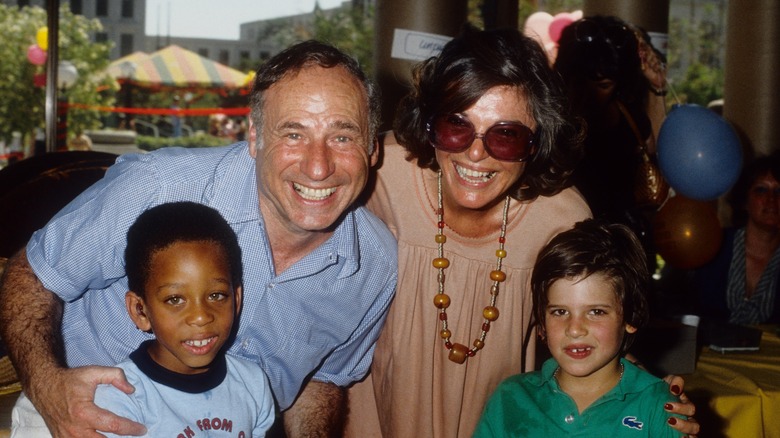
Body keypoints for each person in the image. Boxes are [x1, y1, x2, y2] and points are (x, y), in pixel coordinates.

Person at [0, 40, 397, 438]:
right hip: (82, 420)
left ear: (373, 148)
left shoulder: (375, 265)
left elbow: (321, 380)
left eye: (343, 137)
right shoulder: (160, 186)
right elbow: (32, 275)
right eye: (293, 134)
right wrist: (48, 387)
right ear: (255, 138)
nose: (318, 166)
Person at [345, 26, 697, 438]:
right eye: (456, 124)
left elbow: (593, 315)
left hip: (504, 421)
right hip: (377, 415)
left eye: (506, 135)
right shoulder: (380, 174)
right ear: (429, 122)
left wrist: (651, 395)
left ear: (536, 142)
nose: (475, 153)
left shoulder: (561, 217)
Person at [473, 219, 685, 437]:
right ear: (542, 322)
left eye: (596, 312)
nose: (574, 329)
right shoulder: (511, 397)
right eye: (560, 312)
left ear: (631, 317)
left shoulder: (655, 405)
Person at [92, 202, 273, 437]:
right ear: (140, 311)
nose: (201, 316)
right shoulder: (121, 398)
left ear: (236, 300)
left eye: (216, 295)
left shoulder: (252, 384)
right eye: (175, 300)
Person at [554, 16, 669, 270]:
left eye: (604, 85)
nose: (590, 94)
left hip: (622, 249)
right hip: (565, 246)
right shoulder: (547, 120)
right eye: (581, 82)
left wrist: (657, 86)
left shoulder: (627, 115)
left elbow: (658, 153)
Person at [694, 153, 780, 325]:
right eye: (761, 190)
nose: (771, 199)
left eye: (779, 191)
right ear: (744, 201)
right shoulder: (714, 245)